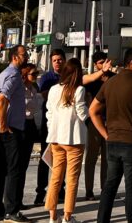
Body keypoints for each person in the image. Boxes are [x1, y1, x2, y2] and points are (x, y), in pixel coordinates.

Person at [90, 48, 132, 223]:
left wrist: (105, 134)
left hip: (113, 142)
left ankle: (102, 220)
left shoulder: (110, 83)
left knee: (110, 187)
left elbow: (93, 111)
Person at [44, 57, 89, 223]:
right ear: (77, 73)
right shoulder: (79, 90)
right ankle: (67, 216)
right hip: (74, 139)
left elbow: (48, 113)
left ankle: (52, 216)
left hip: (56, 138)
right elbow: (82, 114)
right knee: (71, 179)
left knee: (55, 177)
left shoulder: (54, 89)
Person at [0, 44, 31, 223]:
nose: (27, 57)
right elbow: (2, 98)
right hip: (10, 131)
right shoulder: (13, 74)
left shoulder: (5, 73)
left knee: (1, 169)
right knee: (13, 170)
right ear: (15, 57)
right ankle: (12, 211)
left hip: (5, 130)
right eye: (24, 54)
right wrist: (3, 125)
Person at [34, 49, 66, 207]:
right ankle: (41, 191)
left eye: (60, 60)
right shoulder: (47, 78)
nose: (57, 62)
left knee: (63, 157)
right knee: (46, 157)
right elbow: (45, 95)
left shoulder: (69, 76)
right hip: (50, 122)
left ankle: (61, 190)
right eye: (55, 60)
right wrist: (61, 89)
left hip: (65, 122)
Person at [82, 50, 113, 200]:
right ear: (95, 65)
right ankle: (89, 190)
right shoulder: (91, 80)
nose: (104, 65)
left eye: (105, 62)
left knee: (108, 158)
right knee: (91, 157)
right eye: (101, 63)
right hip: (94, 123)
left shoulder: (113, 78)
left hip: (111, 122)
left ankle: (105, 189)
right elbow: (85, 95)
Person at [22, 63, 43, 188]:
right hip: (22, 123)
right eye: (33, 74)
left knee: (25, 163)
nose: (36, 76)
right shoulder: (21, 89)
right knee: (18, 164)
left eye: (37, 73)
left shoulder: (34, 89)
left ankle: (18, 199)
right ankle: (13, 201)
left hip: (31, 123)